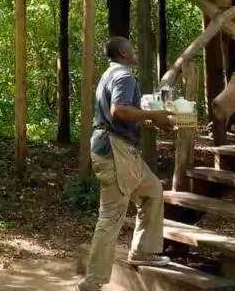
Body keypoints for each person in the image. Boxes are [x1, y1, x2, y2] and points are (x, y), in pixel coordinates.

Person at [80, 36, 178, 290]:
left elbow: (121, 114)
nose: (134, 51)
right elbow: (119, 111)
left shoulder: (110, 74)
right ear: (124, 51)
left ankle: (144, 251)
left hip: (123, 151)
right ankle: (93, 282)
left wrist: (148, 118)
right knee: (111, 216)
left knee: (152, 191)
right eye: (131, 47)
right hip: (116, 152)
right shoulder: (124, 76)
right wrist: (156, 115)